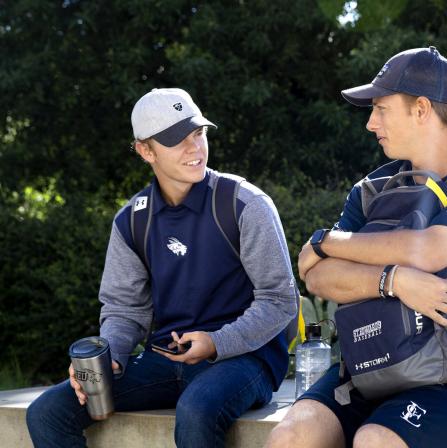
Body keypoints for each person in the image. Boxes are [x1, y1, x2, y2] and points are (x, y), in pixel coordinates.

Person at [266, 47, 447, 448]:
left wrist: (325, 241)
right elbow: (318, 276)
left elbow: (431, 251)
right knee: (290, 436)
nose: (371, 123)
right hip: (371, 361)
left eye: (381, 109)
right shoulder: (372, 190)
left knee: (376, 441)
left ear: (421, 109)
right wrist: (394, 281)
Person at [26, 88, 298, 448]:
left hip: (245, 359)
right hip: (165, 359)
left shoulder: (245, 204)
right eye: (176, 140)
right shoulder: (131, 221)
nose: (195, 148)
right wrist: (112, 357)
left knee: (197, 409)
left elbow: (281, 301)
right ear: (145, 150)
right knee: (47, 412)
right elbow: (125, 310)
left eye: (198, 134)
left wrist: (217, 343)